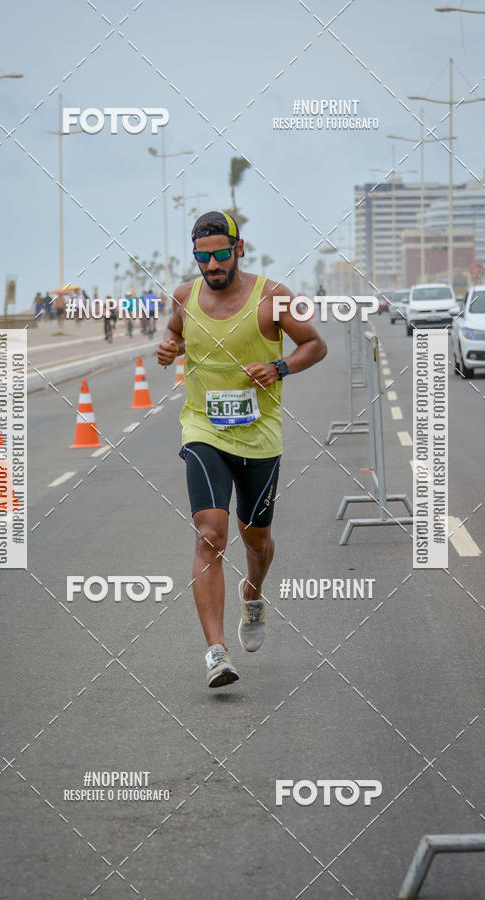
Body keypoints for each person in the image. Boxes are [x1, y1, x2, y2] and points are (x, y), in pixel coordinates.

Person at [157, 211, 327, 689]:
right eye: (202, 256)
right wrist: (169, 347)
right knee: (210, 534)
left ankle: (253, 590)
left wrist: (280, 367)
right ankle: (216, 652)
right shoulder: (185, 296)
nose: (212, 264)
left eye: (220, 254)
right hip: (203, 429)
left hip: (259, 437)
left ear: (239, 249)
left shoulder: (273, 297)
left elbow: (315, 345)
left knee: (255, 540)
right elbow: (174, 331)